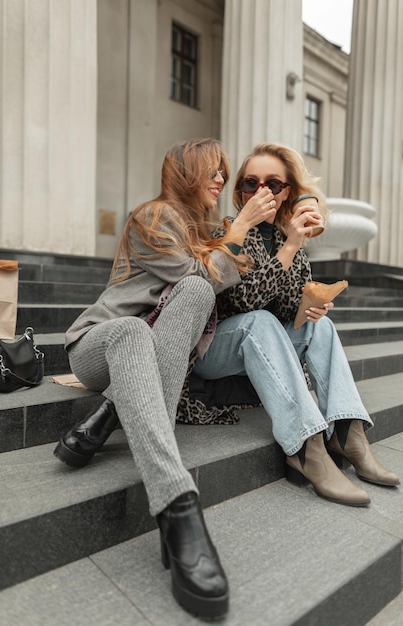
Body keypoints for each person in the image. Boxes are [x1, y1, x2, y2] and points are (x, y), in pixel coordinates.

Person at [53, 138, 274, 619]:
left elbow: (228, 283)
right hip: (97, 345)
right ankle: (178, 507)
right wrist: (235, 231)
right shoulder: (152, 216)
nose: (221, 178)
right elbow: (198, 272)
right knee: (142, 320)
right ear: (185, 171)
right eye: (212, 170)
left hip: (145, 357)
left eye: (223, 171)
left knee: (194, 292)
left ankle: (118, 406)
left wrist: (282, 238)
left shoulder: (212, 229)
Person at [193, 142, 400, 507]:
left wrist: (309, 308)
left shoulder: (294, 239)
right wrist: (289, 246)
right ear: (240, 192)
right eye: (251, 184)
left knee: (322, 326)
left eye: (273, 184)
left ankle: (348, 432)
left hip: (264, 350)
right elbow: (243, 302)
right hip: (214, 352)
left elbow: (289, 313)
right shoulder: (227, 229)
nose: (261, 192)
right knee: (258, 321)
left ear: (287, 191)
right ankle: (307, 448)